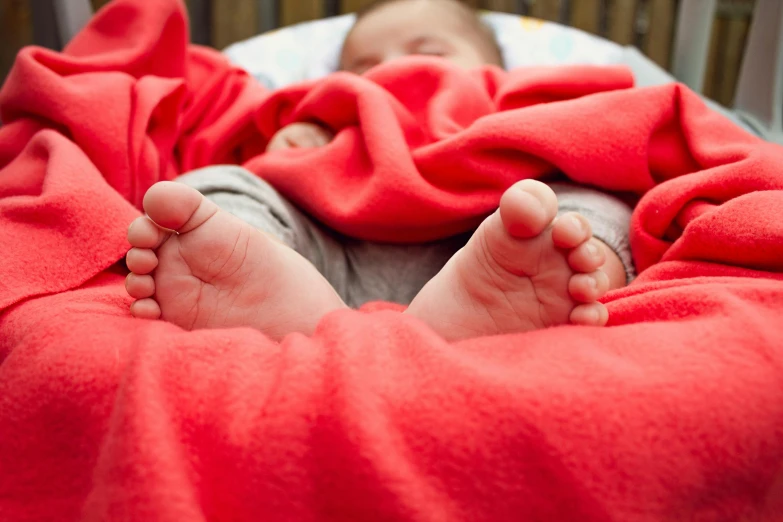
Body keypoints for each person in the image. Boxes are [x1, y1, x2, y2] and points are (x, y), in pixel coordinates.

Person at [124, 0, 634, 342]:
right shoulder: (325, 112)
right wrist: (294, 145)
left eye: (430, 52)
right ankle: (242, 272)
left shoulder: (516, 97)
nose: (391, 70)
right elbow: (273, 162)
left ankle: (561, 275)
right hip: (317, 258)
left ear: (499, 67)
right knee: (226, 187)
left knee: (585, 204)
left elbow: (600, 137)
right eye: (364, 65)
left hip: (492, 246)